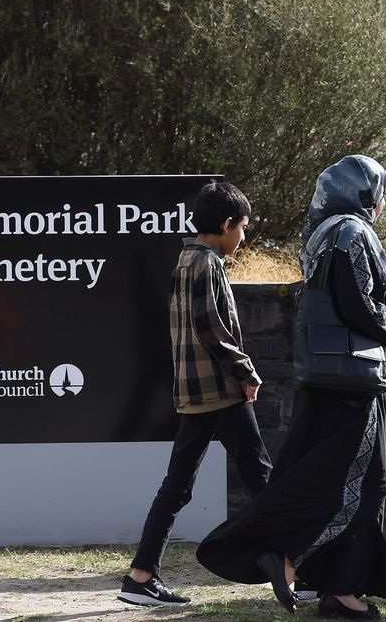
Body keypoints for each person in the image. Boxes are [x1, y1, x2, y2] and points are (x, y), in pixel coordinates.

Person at [198, 155, 386, 620]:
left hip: (323, 376)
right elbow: (359, 306)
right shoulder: (352, 233)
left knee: (338, 477)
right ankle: (316, 574)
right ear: (362, 193)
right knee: (362, 484)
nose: (378, 201)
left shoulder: (319, 234)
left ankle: (330, 579)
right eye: (374, 191)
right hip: (352, 380)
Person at [117, 181, 273, 607]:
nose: (243, 236)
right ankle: (300, 567)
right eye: (242, 227)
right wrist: (247, 371)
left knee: (177, 487)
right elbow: (210, 328)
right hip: (220, 391)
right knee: (262, 479)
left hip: (192, 393)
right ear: (225, 225)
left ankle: (140, 576)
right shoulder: (209, 264)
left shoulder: (185, 259)